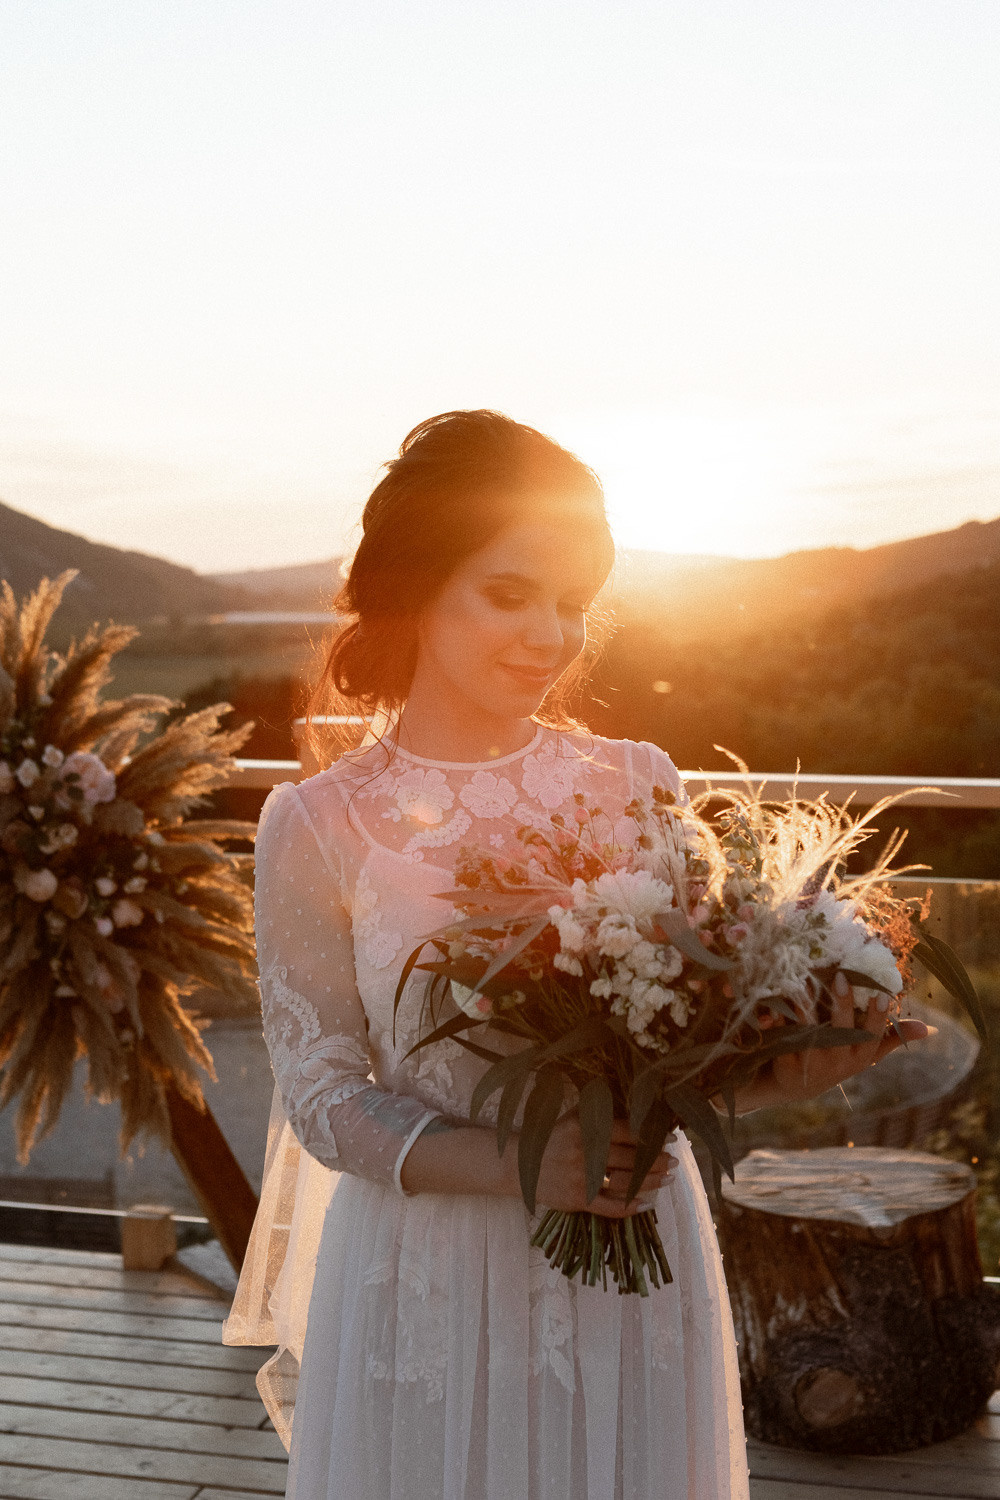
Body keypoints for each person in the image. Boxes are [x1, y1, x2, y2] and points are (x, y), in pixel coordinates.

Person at [226, 410, 929, 1500]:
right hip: (430, 1273)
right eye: (510, 594)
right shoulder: (318, 822)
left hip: (633, 1270)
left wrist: (783, 1072)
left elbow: (677, 1051)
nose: (550, 635)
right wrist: (521, 1166)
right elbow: (320, 1093)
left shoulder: (638, 782)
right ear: (416, 587)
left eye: (572, 602)